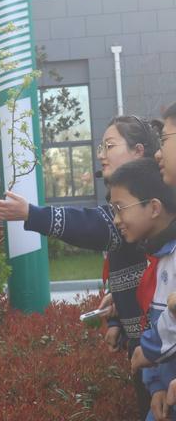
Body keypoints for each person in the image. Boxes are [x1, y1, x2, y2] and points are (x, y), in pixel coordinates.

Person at [0, 115, 161, 420]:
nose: (101, 154)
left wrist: (31, 214)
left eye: (109, 145)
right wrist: (117, 312)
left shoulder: (149, 200)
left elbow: (97, 227)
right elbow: (125, 262)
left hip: (160, 352)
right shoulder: (129, 201)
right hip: (143, 350)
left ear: (138, 151)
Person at [106, 158, 176, 421]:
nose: (116, 220)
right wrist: (156, 383)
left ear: (154, 207)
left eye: (120, 209)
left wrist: (147, 349)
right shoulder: (158, 256)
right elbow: (154, 317)